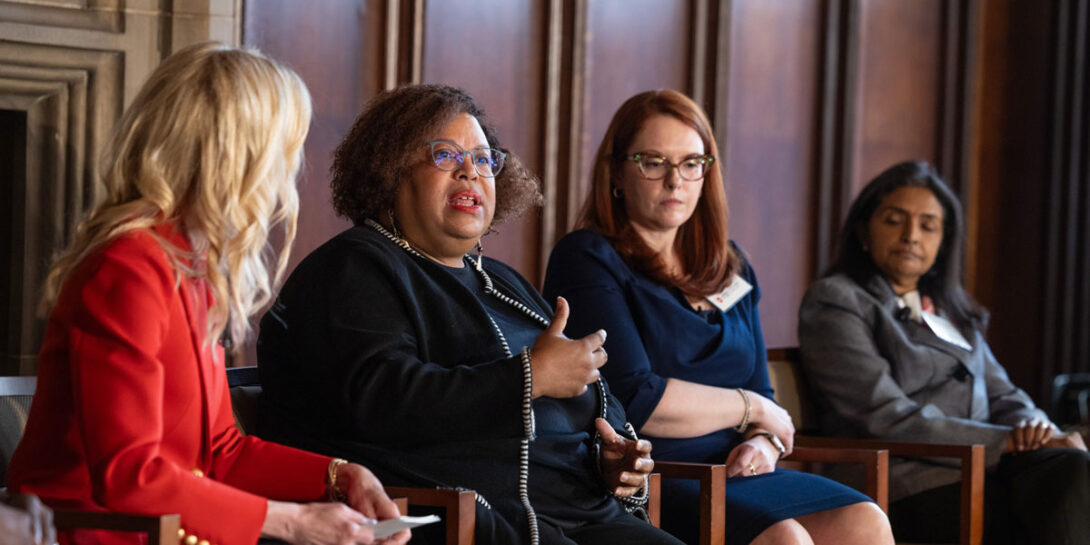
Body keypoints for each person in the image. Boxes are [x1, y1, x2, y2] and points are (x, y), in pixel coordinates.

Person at [7, 42, 408, 545]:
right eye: (283, 150)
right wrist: (293, 522)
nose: (288, 175)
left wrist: (337, 474)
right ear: (237, 156)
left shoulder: (191, 271)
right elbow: (130, 475)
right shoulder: (126, 268)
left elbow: (221, 451)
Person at [256, 83, 684, 545]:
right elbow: (381, 401)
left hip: (582, 511)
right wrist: (529, 378)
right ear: (390, 169)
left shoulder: (502, 280)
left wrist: (611, 458)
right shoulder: (353, 268)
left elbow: (593, 403)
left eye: (483, 160)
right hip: (474, 520)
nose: (469, 173)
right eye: (445, 156)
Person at [542, 89, 892, 545]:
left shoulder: (731, 266)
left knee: (866, 520)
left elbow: (763, 390)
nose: (676, 181)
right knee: (785, 538)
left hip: (738, 469)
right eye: (654, 162)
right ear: (616, 175)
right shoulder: (588, 257)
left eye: (691, 163)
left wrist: (764, 442)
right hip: (649, 473)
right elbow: (635, 397)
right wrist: (754, 409)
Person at [797, 160, 1090, 544]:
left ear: (942, 241)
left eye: (928, 225)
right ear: (863, 231)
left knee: (1071, 467)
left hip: (988, 473)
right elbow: (883, 417)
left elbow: (1004, 394)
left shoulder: (950, 309)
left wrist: (1039, 429)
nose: (911, 236)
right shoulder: (838, 300)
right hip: (904, 482)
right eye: (894, 220)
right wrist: (1008, 442)